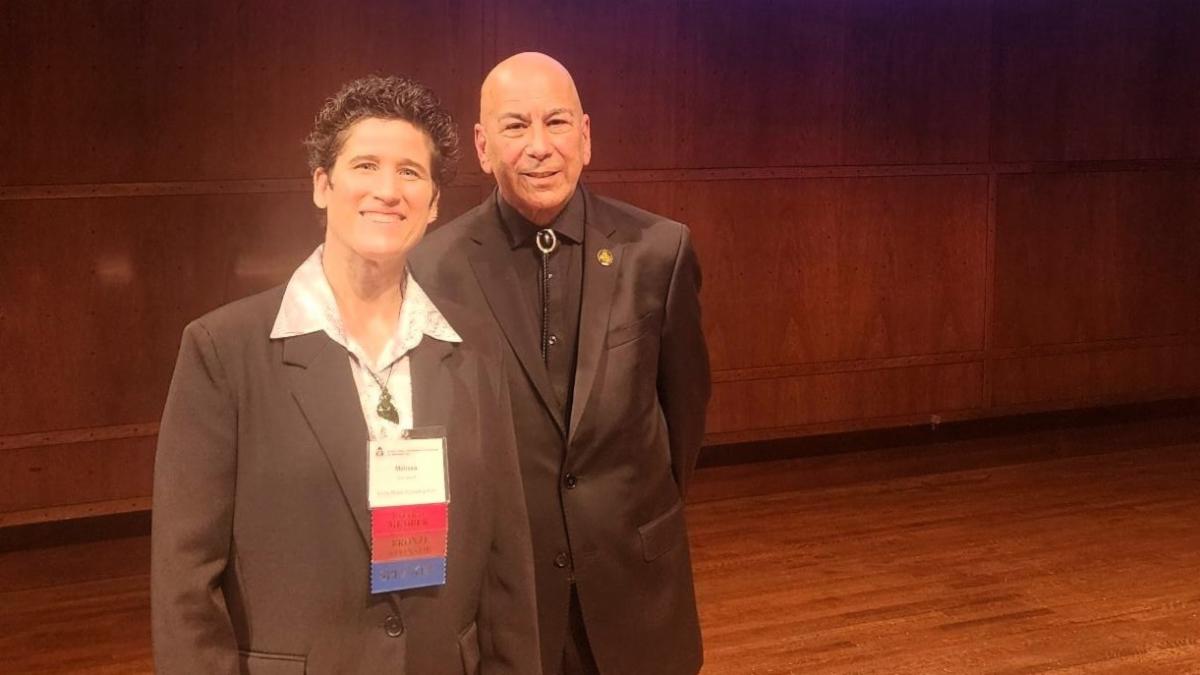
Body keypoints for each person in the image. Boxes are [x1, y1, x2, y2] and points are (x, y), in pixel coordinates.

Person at [151, 75, 540, 675]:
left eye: (410, 172)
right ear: (322, 185)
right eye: (365, 165)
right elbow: (185, 586)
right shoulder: (222, 351)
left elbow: (506, 554)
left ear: (434, 202)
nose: (388, 190)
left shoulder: (475, 346)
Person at [410, 52, 710, 675]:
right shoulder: (432, 270)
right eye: (516, 126)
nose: (540, 147)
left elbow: (684, 411)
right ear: (483, 146)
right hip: (507, 596)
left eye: (557, 122)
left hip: (635, 580)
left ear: (586, 136)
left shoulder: (660, 250)